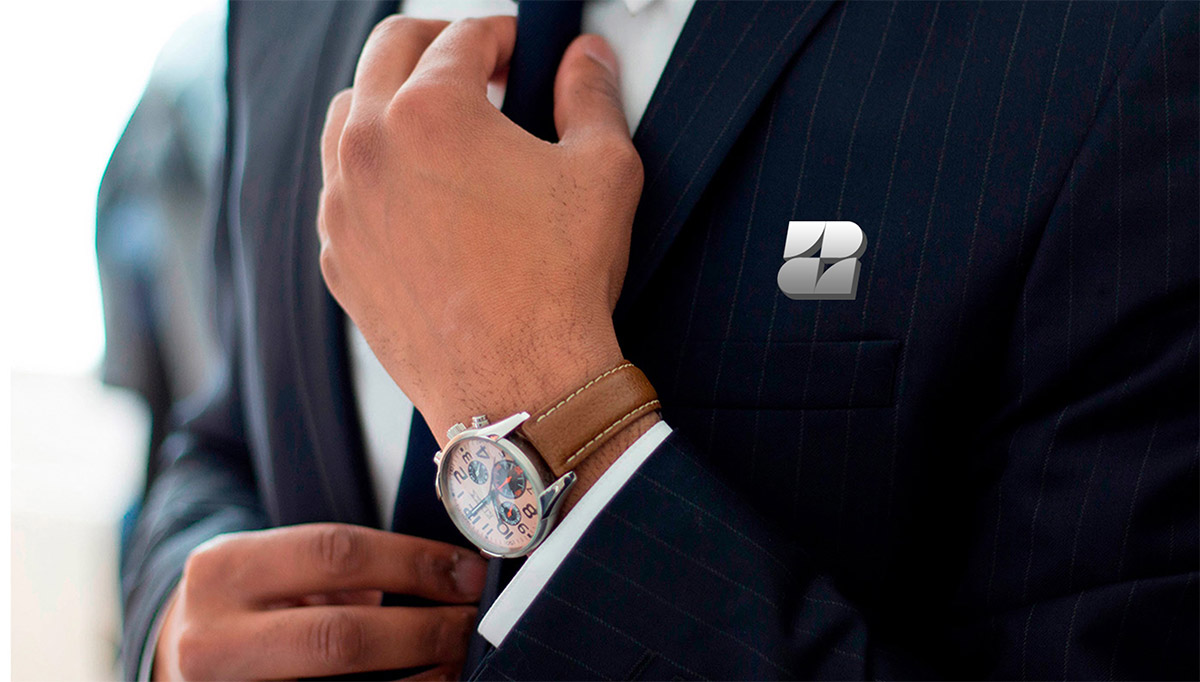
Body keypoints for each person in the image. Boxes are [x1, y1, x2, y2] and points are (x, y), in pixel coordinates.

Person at [120, 1, 1198, 680]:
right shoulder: (276, 18)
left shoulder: (1116, 48)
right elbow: (224, 433)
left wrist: (553, 417)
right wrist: (172, 628)